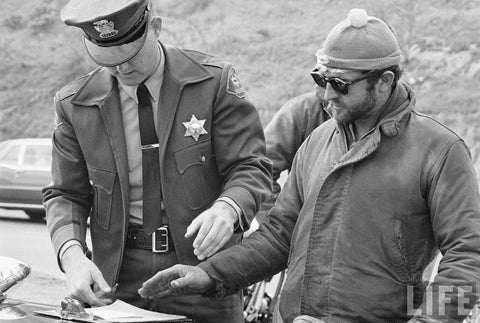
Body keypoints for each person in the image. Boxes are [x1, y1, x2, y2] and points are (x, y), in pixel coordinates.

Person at [137, 8, 480, 322]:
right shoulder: (317, 141)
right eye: (321, 79)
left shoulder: (441, 151)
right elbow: (278, 237)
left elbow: (470, 260)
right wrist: (211, 274)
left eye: (341, 85)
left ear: (385, 81)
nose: (326, 95)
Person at [42, 0, 272, 322]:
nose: (121, 70)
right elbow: (66, 194)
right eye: (109, 61)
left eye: (130, 57)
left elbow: (251, 166)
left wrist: (228, 208)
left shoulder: (212, 83)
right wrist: (73, 257)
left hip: (202, 273)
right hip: (116, 282)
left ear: (156, 27)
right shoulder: (75, 104)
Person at [254, 87, 330, 224]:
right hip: (310, 229)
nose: (331, 93)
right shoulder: (303, 111)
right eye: (322, 78)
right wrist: (278, 225)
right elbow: (259, 171)